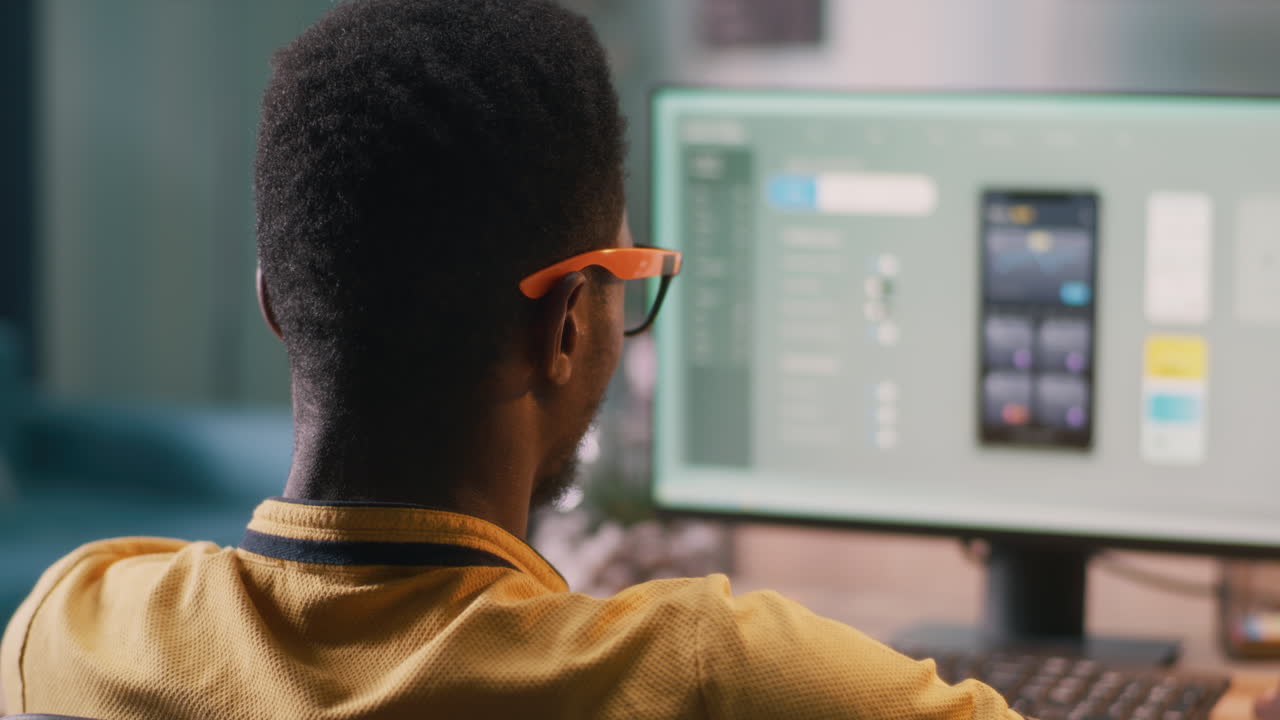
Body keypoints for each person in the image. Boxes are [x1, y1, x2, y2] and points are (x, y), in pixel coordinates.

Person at [0, 1, 1273, 718]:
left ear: (279, 305)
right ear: (565, 325)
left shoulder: (72, 634)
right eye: (627, 283)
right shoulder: (714, 680)